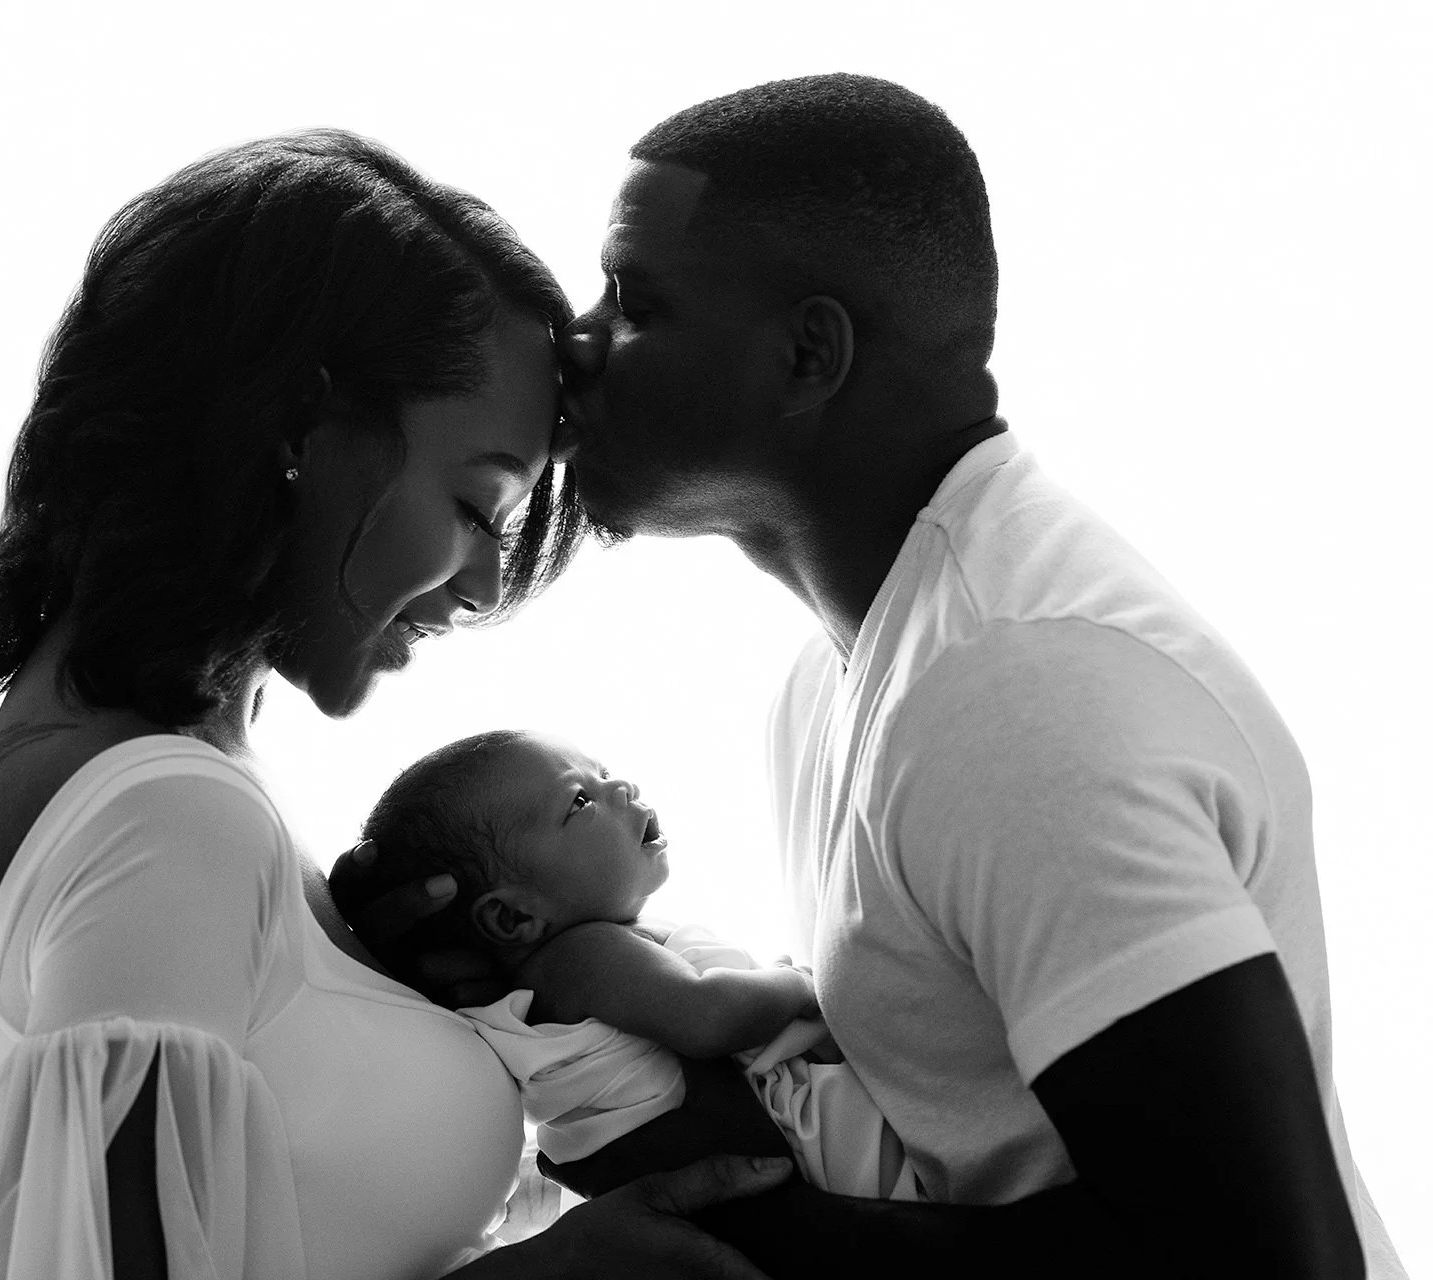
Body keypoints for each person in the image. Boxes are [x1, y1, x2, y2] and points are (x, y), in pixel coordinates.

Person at [543, 73, 1405, 1278]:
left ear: (808, 354)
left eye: (631, 298)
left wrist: (753, 1244)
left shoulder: (1017, 686)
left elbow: (1262, 1261)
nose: (572, 343)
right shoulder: (848, 669)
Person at [0, 129, 801, 1280]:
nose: (490, 582)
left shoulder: (165, 772)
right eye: (479, 506)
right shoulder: (168, 812)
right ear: (299, 428)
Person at [359, 729, 908, 1198]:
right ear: (512, 917)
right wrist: (802, 981)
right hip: (823, 1152)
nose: (622, 787)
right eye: (579, 800)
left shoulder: (587, 953)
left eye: (604, 773)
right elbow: (708, 1018)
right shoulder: (581, 956)